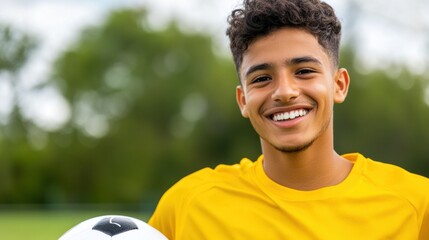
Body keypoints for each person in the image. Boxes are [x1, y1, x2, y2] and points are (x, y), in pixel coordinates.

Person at [148, 0, 429, 239]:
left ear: (339, 85)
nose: (284, 92)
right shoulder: (188, 205)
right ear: (243, 100)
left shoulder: (416, 204)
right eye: (261, 79)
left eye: (304, 71)